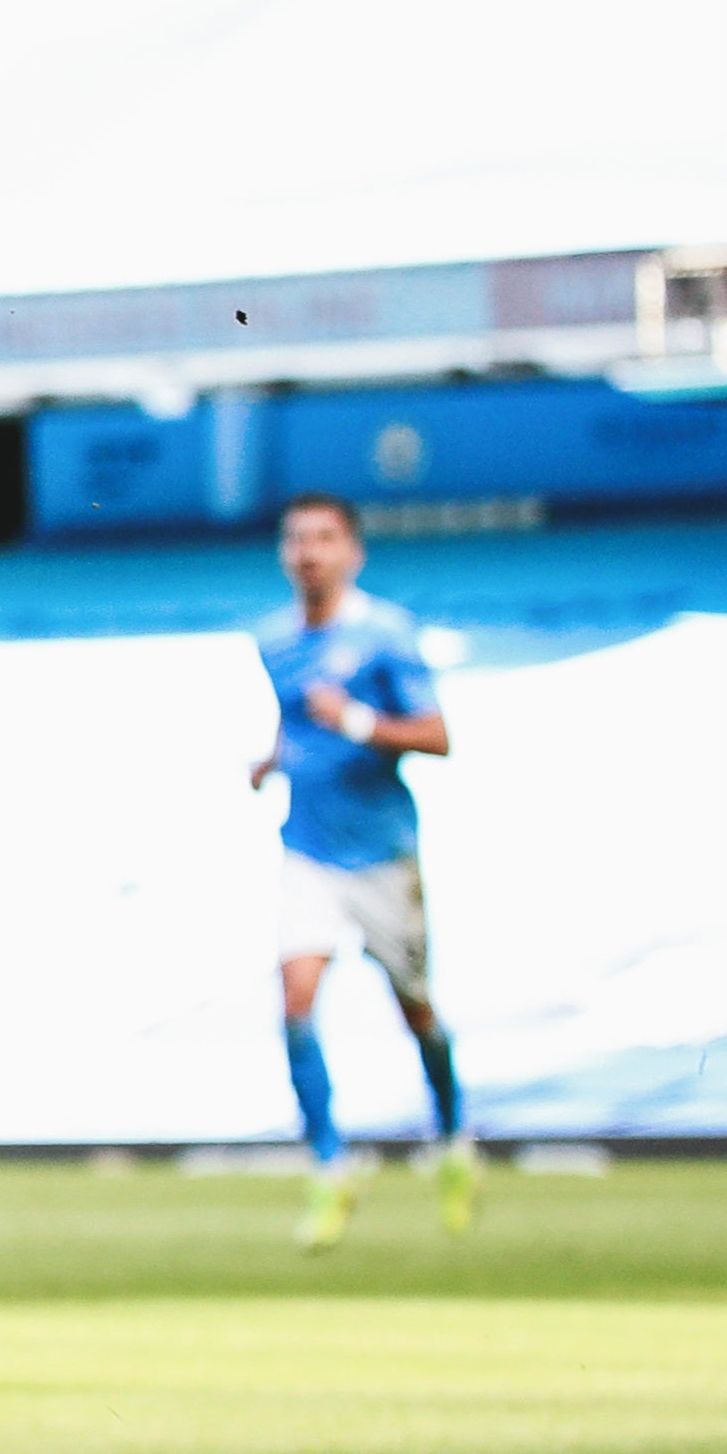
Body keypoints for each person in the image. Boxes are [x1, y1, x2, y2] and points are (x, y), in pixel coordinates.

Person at [249, 493, 470, 1247]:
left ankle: (451, 1137)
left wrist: (355, 720)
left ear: (351, 552)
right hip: (305, 848)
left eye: (322, 538)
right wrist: (269, 759)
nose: (307, 551)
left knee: (415, 1009)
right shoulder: (271, 638)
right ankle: (328, 1167)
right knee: (294, 998)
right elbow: (291, 719)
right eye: (295, 538)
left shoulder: (385, 634)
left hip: (379, 852)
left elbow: (436, 734)